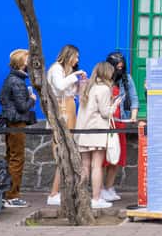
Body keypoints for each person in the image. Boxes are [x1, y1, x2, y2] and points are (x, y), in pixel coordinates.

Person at [46, 44, 87, 206]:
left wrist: (81, 83)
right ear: (68, 55)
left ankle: (61, 191)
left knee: (68, 152)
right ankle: (54, 193)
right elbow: (60, 86)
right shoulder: (56, 68)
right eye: (76, 56)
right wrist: (75, 75)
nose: (77, 60)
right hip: (61, 109)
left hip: (68, 107)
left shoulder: (66, 71)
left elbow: (73, 93)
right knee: (62, 151)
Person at [76, 61, 120, 209]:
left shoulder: (87, 87)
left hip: (83, 131)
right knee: (97, 166)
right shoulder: (104, 89)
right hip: (97, 131)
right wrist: (115, 104)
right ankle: (96, 198)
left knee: (84, 166)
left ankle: (82, 198)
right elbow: (106, 113)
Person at [0, 48, 35, 208]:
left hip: (10, 121)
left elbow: (1, 98)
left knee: (11, 156)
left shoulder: (10, 79)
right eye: (28, 60)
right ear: (22, 62)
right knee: (17, 158)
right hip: (17, 122)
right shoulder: (18, 81)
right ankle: (12, 195)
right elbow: (22, 107)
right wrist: (32, 99)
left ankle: (5, 193)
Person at [101, 51, 139, 203]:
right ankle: (100, 189)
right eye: (117, 66)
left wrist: (133, 116)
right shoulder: (102, 79)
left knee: (116, 156)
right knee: (103, 158)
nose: (120, 69)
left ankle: (109, 187)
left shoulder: (126, 78)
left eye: (122, 66)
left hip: (120, 121)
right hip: (105, 123)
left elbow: (134, 98)